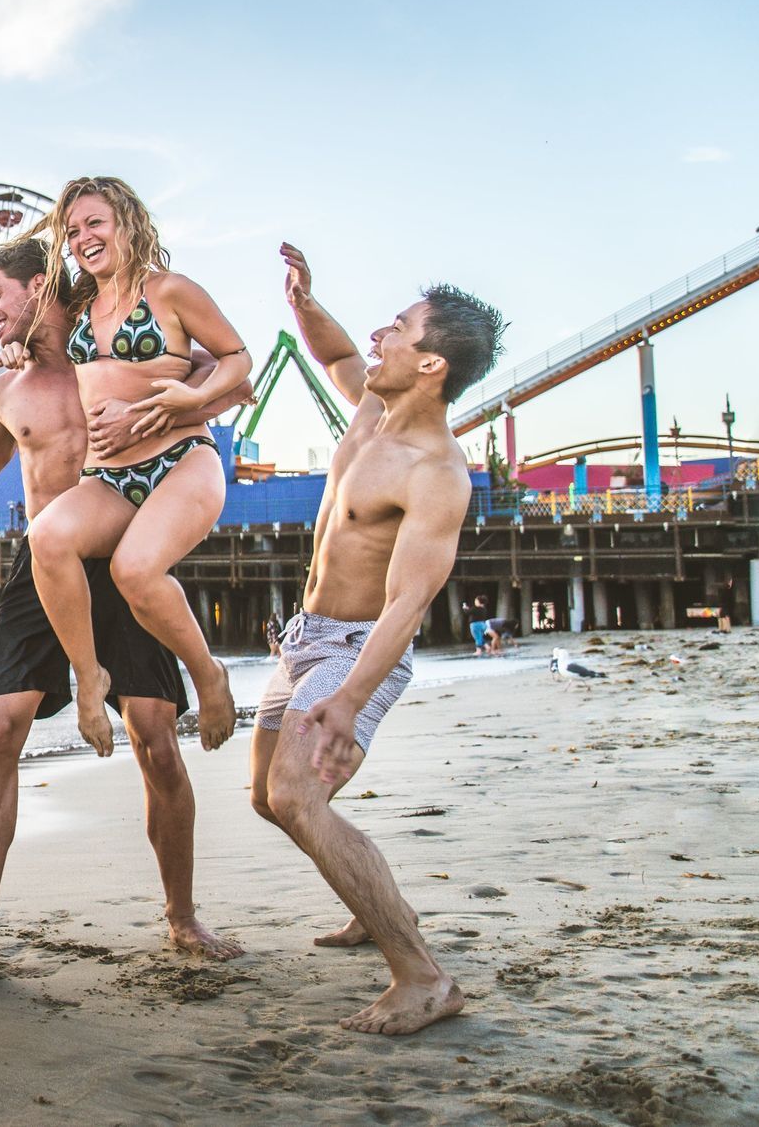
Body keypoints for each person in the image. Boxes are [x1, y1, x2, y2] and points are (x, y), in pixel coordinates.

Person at [0, 237, 250, 1000]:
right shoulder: (5, 392)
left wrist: (178, 406)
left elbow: (218, 374)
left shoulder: (108, 338)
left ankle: (181, 914)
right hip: (44, 563)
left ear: (38, 287)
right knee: (2, 727)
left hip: (121, 552)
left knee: (156, 742)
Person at [250, 241, 505, 1035]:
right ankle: (368, 902)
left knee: (296, 794)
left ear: (430, 364)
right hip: (303, 638)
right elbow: (331, 350)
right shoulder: (369, 407)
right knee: (269, 799)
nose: (379, 336)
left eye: (398, 329)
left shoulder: (435, 470)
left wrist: (349, 698)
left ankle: (424, 977)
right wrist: (303, 304)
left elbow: (408, 602)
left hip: (356, 649)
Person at [20, 177, 249, 758]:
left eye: (94, 223)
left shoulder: (170, 291)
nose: (82, 239)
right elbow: (33, 332)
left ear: (126, 222)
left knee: (136, 571)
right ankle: (89, 678)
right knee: (46, 537)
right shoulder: (77, 309)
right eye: (71, 232)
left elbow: (236, 360)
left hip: (180, 460)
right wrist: (9, 349)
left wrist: (188, 401)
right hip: (109, 477)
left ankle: (208, 673)